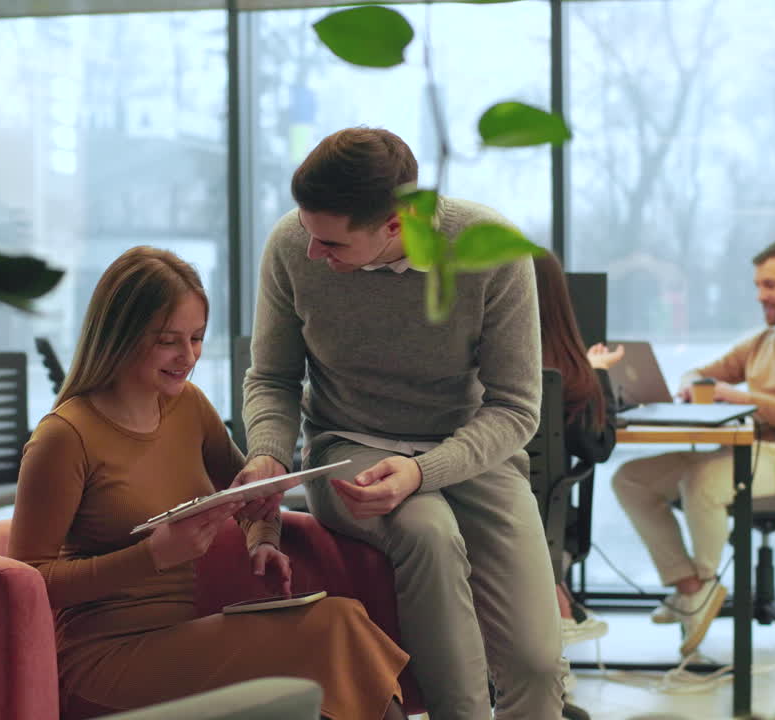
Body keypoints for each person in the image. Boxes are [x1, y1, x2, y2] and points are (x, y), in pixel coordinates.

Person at [236, 127, 563, 719]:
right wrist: (269, 455)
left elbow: (516, 407)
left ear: (394, 226)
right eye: (308, 232)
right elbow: (273, 378)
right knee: (428, 533)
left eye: (331, 243)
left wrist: (423, 470)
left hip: (470, 452)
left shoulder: (493, 251)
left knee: (539, 666)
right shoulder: (292, 242)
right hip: (349, 445)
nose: (312, 252)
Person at [8, 246, 409, 720]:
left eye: (197, 338)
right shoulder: (64, 438)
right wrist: (153, 556)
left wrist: (263, 540)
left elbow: (248, 497)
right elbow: (28, 582)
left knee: (339, 625)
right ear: (121, 336)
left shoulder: (188, 407)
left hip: (182, 637)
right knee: (330, 629)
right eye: (168, 340)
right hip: (100, 661)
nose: (188, 356)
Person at [611, 240, 775, 657]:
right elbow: (702, 372)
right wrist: (696, 384)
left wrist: (742, 398)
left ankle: (707, 585)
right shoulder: (763, 341)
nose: (761, 294)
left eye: (770, 284)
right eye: (757, 285)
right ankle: (689, 586)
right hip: (746, 452)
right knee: (631, 478)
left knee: (703, 480)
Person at [532, 252, 625, 652]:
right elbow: (598, 446)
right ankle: (558, 609)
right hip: (547, 533)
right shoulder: (569, 377)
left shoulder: (475, 365)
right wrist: (598, 373)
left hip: (474, 524)